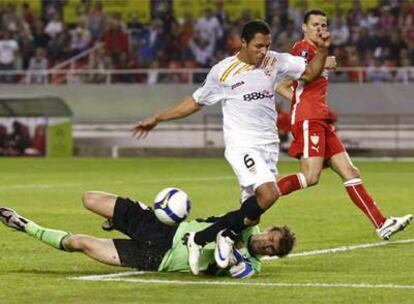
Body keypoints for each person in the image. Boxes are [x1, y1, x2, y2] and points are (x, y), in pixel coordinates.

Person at [132, 19, 331, 275]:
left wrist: (323, 50)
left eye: (267, 46)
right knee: (270, 194)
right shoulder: (223, 71)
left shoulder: (275, 61)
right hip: (242, 144)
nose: (263, 51)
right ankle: (220, 237)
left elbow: (309, 72)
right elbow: (194, 102)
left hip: (268, 147)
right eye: (258, 46)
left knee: (251, 216)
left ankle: (200, 239)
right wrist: (158, 118)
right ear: (243, 42)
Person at [275, 9, 412, 241]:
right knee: (311, 176)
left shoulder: (319, 52)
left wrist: (302, 96)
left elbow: (291, 86)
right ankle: (262, 194)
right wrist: (305, 99)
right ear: (304, 28)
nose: (320, 28)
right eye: (315, 24)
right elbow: (287, 83)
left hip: (321, 119)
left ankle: (382, 223)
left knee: (350, 171)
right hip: (310, 120)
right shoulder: (302, 49)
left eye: (323, 24)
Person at [0, 190, 296, 279]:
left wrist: (234, 257)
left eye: (271, 249)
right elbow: (255, 202)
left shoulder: (252, 266)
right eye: (270, 239)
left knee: (79, 242)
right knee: (90, 199)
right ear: (269, 229)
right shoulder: (247, 223)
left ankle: (24, 225)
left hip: (156, 258)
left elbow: (235, 270)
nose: (265, 245)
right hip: (163, 227)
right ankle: (134, 212)